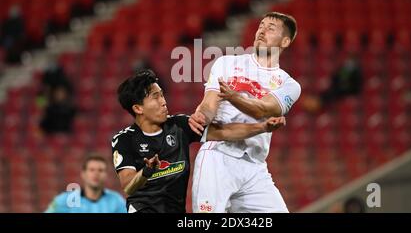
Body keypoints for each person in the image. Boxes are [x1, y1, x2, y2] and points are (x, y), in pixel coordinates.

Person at [112, 69, 286, 213]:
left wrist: (263, 127)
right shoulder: (124, 140)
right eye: (155, 97)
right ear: (138, 108)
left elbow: (224, 132)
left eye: (162, 95)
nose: (163, 102)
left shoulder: (179, 126)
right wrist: (146, 171)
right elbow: (127, 186)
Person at [188, 12, 301, 213]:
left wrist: (233, 97)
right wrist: (201, 115)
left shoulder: (289, 84)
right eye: (261, 25)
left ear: (285, 41)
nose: (262, 31)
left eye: (271, 28)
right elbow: (209, 104)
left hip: (254, 166)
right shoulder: (227, 63)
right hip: (217, 155)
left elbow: (263, 110)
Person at [45, 154, 126, 213]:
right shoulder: (64, 200)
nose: (96, 174)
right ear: (83, 174)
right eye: (91, 170)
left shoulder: (116, 201)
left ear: (106, 175)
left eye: (100, 170)